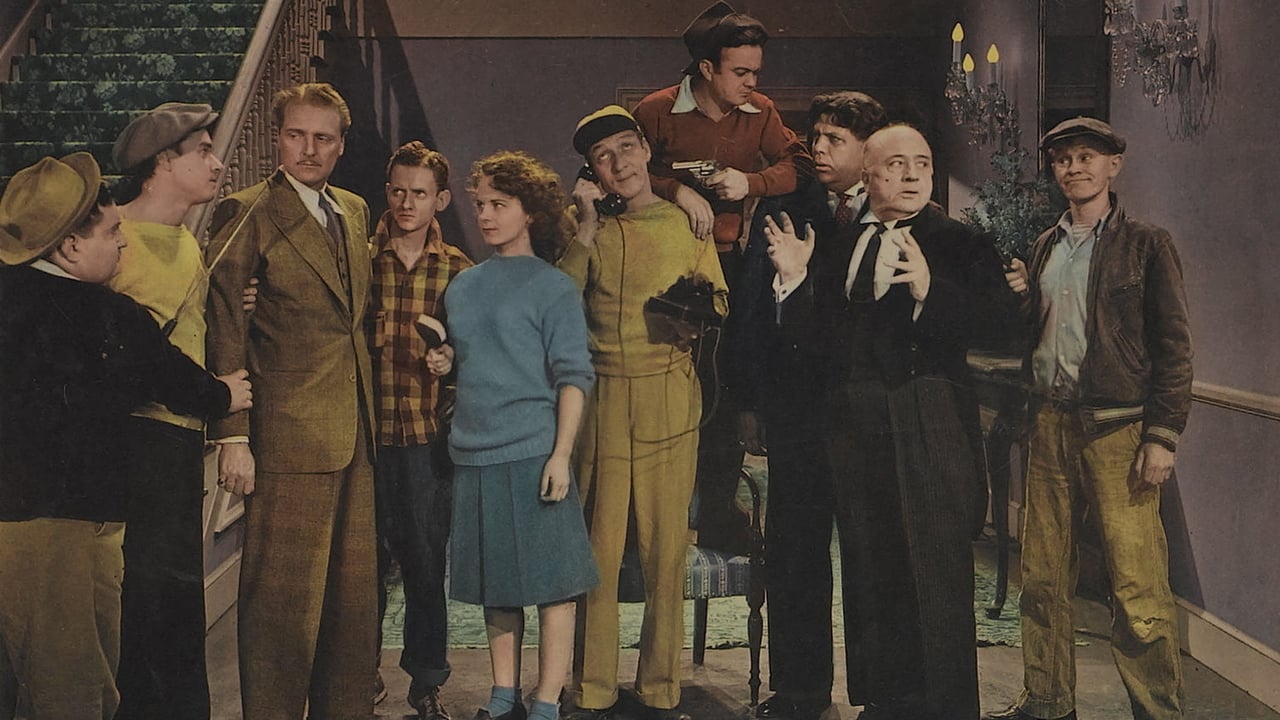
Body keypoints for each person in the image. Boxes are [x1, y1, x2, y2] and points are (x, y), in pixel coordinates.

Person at [763, 124, 1012, 719]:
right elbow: (816, 346)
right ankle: (884, 700)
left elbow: (1003, 326)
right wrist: (794, 282)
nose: (911, 175)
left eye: (921, 164)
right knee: (869, 563)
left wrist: (931, 292)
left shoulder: (960, 242)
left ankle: (943, 709)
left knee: (935, 565)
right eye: (896, 164)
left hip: (927, 414)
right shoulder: (840, 242)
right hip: (852, 423)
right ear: (867, 174)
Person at [0, 153, 251, 720]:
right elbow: (171, 374)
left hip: (23, 522)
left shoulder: (15, 299)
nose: (123, 244)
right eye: (113, 232)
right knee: (74, 687)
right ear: (69, 247)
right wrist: (226, 395)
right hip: (66, 529)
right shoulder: (107, 314)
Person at [983, 117, 1192, 720]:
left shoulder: (1146, 244)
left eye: (1086, 157)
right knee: (1042, 577)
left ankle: (1157, 711)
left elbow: (1175, 347)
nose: (1074, 168)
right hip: (1049, 423)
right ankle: (1047, 702)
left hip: (1118, 431)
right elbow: (1032, 335)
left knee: (1136, 584)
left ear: (1112, 166)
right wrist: (1021, 298)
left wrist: (1162, 434)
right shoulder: (1045, 246)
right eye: (1063, 160)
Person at [204, 82, 378, 719]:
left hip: (355, 434)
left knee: (351, 606)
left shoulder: (353, 210)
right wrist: (234, 435)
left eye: (322, 138)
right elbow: (225, 324)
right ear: (277, 139)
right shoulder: (247, 210)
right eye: (296, 135)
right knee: (280, 609)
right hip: (285, 436)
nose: (308, 149)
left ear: (341, 145)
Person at [560, 106, 729, 720]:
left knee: (665, 549)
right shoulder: (583, 228)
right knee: (597, 549)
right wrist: (584, 224)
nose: (619, 163)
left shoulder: (686, 220)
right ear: (592, 172)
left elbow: (719, 296)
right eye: (603, 157)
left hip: (670, 396)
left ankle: (660, 688)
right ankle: (592, 688)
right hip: (603, 397)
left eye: (626, 147)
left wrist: (695, 314)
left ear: (646, 151)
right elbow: (558, 300)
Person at [633, 0, 812, 557]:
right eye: (741, 72)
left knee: (724, 391)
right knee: (661, 392)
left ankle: (716, 513)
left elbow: (798, 167)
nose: (752, 82)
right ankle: (648, 526)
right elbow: (623, 170)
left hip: (730, 269)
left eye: (756, 71)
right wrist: (675, 190)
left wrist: (750, 183)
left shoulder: (760, 111)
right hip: (662, 271)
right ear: (707, 69)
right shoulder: (656, 110)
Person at [733, 91, 888, 720]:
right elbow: (751, 311)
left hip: (868, 416)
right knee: (795, 553)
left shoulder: (894, 212)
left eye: (834, 140)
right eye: (816, 136)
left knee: (871, 556)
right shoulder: (785, 209)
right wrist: (749, 400)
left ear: (869, 151)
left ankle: (879, 691)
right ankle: (799, 689)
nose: (818, 150)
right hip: (797, 411)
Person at [443, 150, 599, 720]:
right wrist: (445, 361)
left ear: (529, 211)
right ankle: (502, 693)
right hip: (474, 451)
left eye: (499, 204)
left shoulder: (553, 288)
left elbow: (574, 375)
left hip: (534, 451)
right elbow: (475, 363)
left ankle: (547, 700)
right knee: (497, 585)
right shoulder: (463, 286)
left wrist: (561, 454)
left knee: (554, 585)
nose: (485, 215)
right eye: (481, 204)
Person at [107, 100, 226, 720]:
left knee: (180, 601)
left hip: (182, 444)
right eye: (202, 152)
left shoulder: (188, 244)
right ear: (161, 164)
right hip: (132, 442)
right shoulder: (114, 239)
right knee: (141, 600)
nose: (217, 162)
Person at [369, 140, 473, 719]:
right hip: (363, 439)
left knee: (425, 565)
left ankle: (426, 681)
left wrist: (451, 359)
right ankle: (359, 673)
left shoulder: (459, 271)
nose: (407, 203)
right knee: (361, 567)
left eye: (420, 193)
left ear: (442, 200)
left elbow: (480, 353)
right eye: (398, 191)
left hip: (426, 440)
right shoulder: (359, 261)